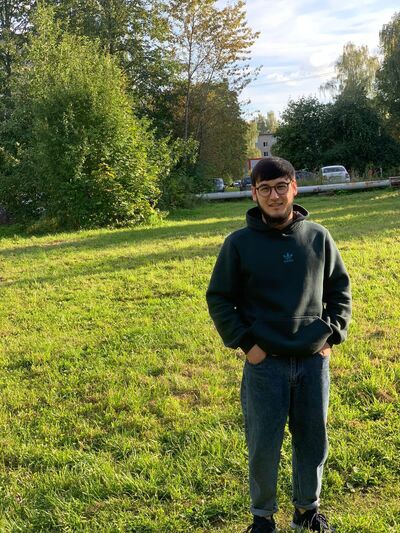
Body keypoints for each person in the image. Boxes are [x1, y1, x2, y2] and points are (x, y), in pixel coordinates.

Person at [206, 157, 351, 532]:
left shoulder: (317, 237)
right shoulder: (238, 244)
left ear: (294, 188)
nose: (274, 196)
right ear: (254, 194)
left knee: (313, 440)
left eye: (281, 187)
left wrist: (331, 334)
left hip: (312, 362)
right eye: (265, 189)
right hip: (264, 364)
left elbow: (339, 290)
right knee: (263, 444)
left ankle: (306, 510)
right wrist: (247, 345)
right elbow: (219, 298)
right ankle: (262, 517)